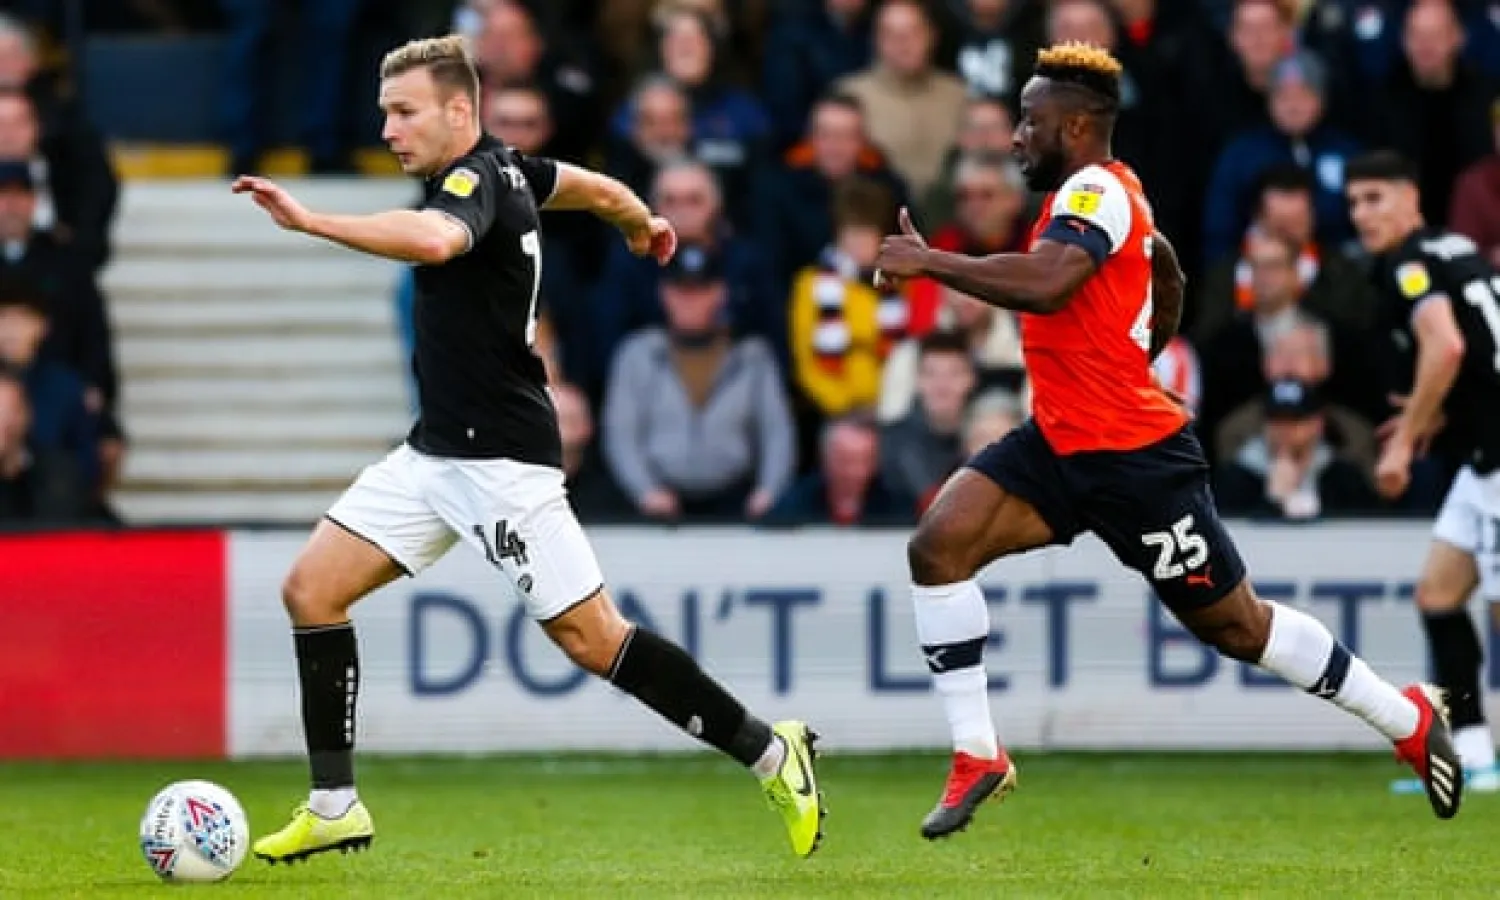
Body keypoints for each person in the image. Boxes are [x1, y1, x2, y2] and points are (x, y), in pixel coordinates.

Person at [232, 35, 825, 864]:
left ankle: (772, 750)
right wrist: (636, 217)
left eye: (403, 113)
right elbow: (579, 185)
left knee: (593, 639)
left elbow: (436, 241)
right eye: (383, 115)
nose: (390, 130)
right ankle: (335, 804)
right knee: (311, 591)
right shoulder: (509, 167)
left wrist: (311, 219)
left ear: (459, 110)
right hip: (433, 454)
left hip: (502, 462)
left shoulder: (472, 181)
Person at [872, 42, 1462, 839]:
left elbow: (1049, 285)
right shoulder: (1108, 200)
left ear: (1077, 127)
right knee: (937, 548)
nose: (1014, 136)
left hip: (1137, 464)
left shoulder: (1098, 191)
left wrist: (930, 261)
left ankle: (1406, 716)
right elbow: (1169, 276)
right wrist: (1133, 360)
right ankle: (978, 753)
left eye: (1029, 121)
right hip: (1059, 443)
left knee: (1237, 629)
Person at [1346, 149, 1500, 795]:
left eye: (1376, 197)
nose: (1362, 214)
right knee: (1438, 594)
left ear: (1412, 198)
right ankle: (1473, 751)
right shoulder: (1456, 246)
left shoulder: (1409, 262)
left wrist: (1403, 443)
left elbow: (1448, 344)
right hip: (1481, 456)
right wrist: (1441, 409)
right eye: (1354, 202)